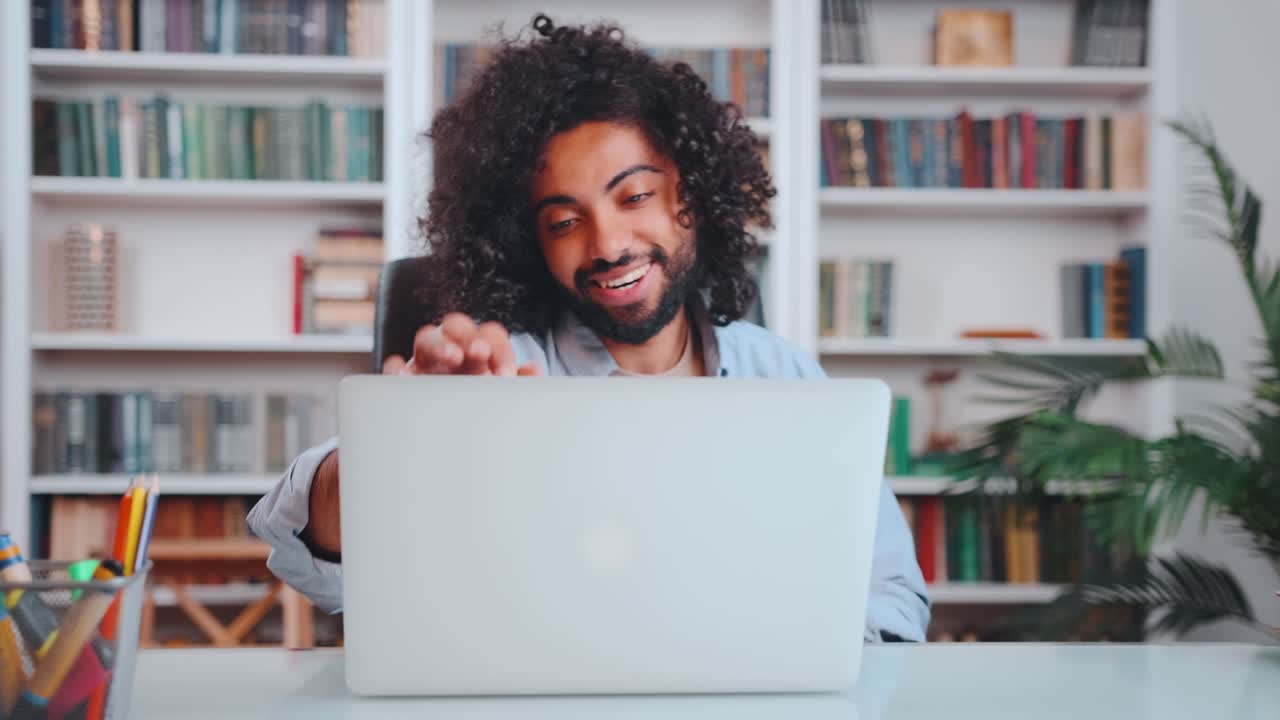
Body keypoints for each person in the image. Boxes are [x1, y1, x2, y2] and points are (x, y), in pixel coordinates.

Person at [247, 13, 930, 643]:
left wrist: (783, 652)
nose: (607, 244)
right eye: (565, 221)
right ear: (529, 243)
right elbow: (318, 564)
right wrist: (394, 445)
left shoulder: (787, 381)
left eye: (635, 196)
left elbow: (892, 597)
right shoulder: (496, 376)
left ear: (690, 199)